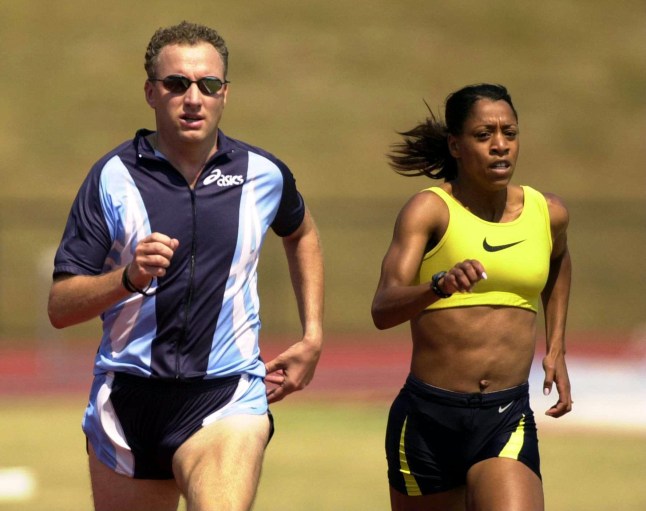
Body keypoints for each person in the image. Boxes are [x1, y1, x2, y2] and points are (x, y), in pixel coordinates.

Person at [48, 21, 324, 511]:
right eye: (177, 84)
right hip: (128, 402)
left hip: (225, 395)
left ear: (225, 94)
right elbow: (61, 307)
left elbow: (301, 232)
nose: (193, 98)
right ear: (152, 93)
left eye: (208, 85)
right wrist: (127, 278)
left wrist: (313, 334)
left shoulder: (263, 175)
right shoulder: (112, 178)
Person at [371, 83, 572, 511]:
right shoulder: (429, 211)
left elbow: (559, 261)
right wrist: (438, 285)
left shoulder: (547, 212)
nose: (500, 146)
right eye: (484, 135)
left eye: (510, 133)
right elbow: (383, 308)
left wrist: (556, 347)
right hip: (427, 420)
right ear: (456, 145)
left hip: (505, 417)